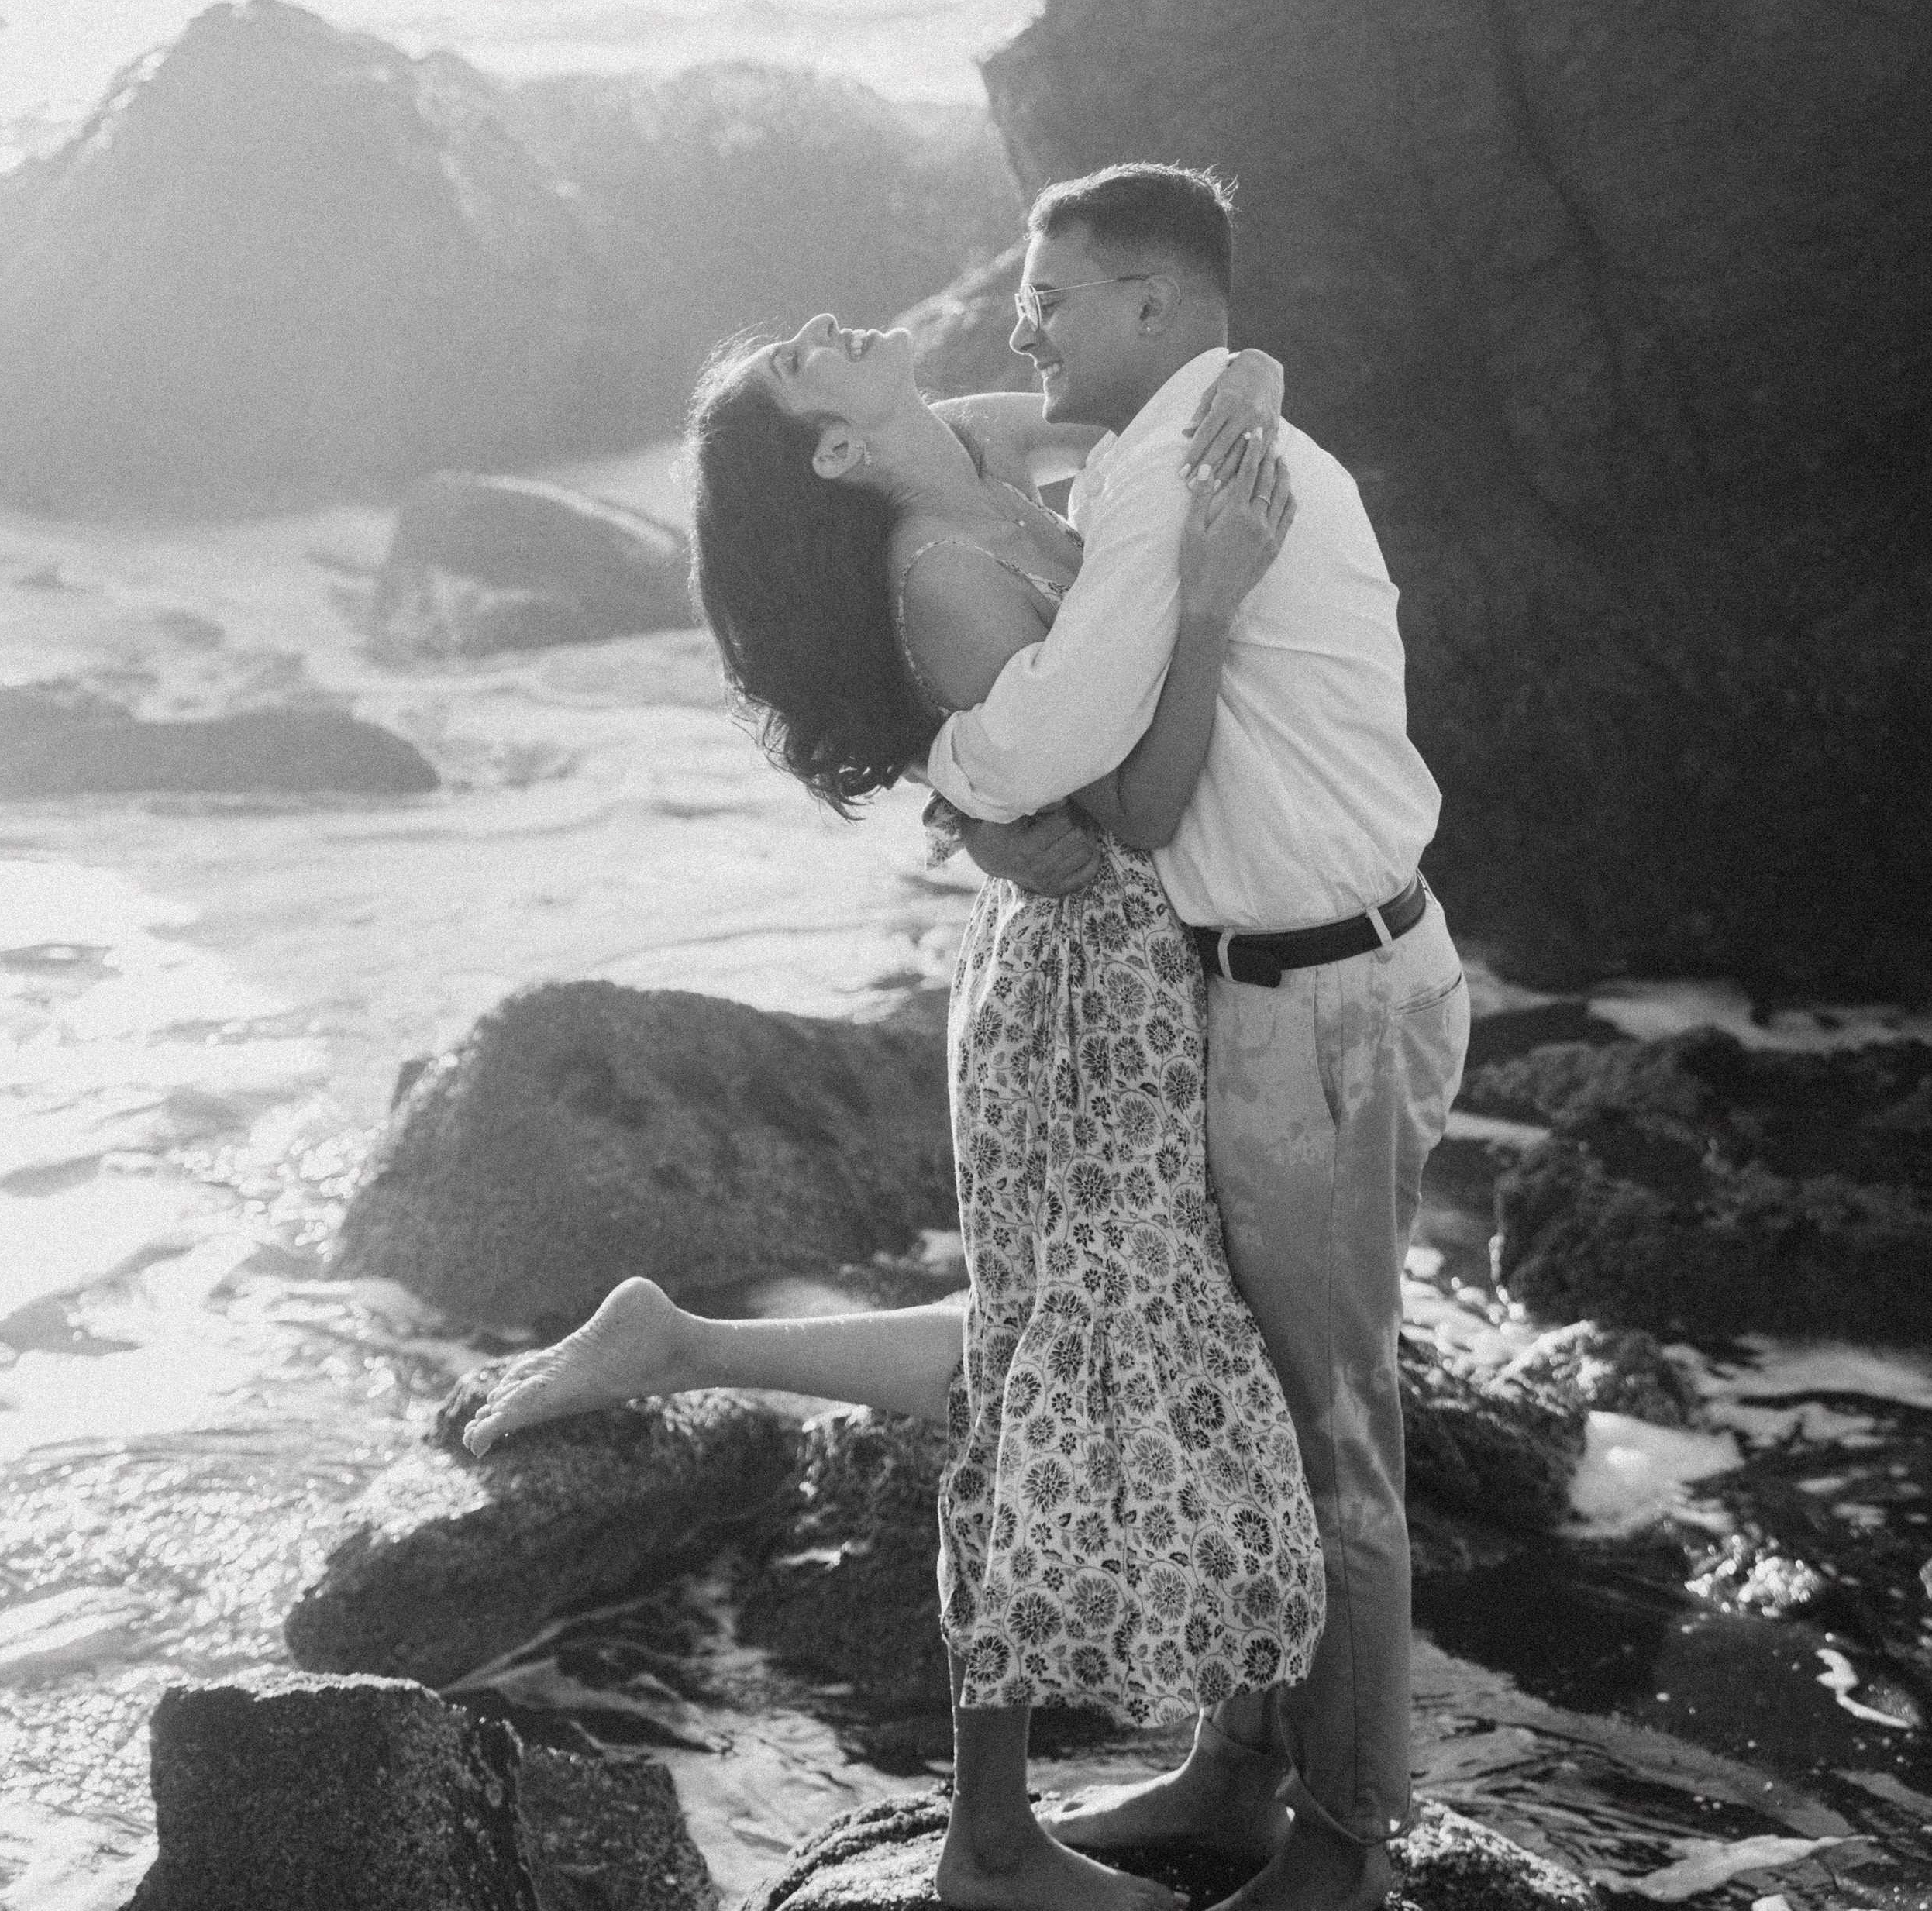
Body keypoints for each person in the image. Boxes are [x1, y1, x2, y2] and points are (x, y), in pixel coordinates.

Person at [462, 297, 1326, 1911]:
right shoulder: (938, 577)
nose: (823, 324)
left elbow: (1183, 408)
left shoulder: (974, 451)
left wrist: (1243, 388)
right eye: (805, 366)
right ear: (842, 451)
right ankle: (990, 1840)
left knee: (1098, 1323)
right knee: (1047, 1360)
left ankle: (686, 1345)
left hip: (1127, 959)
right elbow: (1112, 796)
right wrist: (1189, 618)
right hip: (1091, 982)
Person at [924, 164, 1469, 1911]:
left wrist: (944, 777)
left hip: (1312, 1001)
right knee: (1252, 1406)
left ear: (1154, 306)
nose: (1023, 321)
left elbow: (1054, 741)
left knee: (1329, 1430)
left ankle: (1347, 1845)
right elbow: (1010, 445)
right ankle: (1240, 1775)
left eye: (1054, 292)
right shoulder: (1224, 443)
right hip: (1300, 982)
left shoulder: (1182, 468)